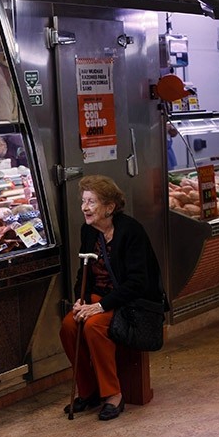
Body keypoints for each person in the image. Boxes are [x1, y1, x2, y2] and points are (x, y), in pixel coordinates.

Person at [58, 175, 164, 421]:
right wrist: (81, 301)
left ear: (109, 207)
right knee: (69, 326)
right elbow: (82, 272)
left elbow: (137, 283)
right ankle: (89, 391)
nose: (85, 207)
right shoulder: (88, 231)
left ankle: (113, 394)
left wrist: (99, 306)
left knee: (94, 326)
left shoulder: (130, 231)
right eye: (83, 201)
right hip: (99, 297)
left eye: (91, 202)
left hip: (129, 299)